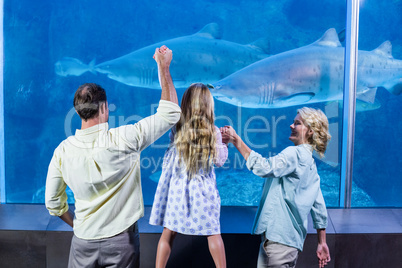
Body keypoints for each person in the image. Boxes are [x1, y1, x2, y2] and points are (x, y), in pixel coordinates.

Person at [45, 45, 181, 268]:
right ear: (105, 108)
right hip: (122, 243)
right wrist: (163, 67)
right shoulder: (126, 138)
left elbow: (53, 203)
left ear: (77, 111)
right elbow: (170, 114)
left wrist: (78, 225)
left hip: (82, 242)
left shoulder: (62, 151)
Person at [220, 107, 331, 268]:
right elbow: (319, 206)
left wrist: (236, 140)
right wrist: (322, 242)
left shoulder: (294, 153)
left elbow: (264, 168)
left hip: (278, 243)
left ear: (310, 131)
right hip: (291, 245)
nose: (291, 126)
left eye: (297, 123)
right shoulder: (311, 164)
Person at [149, 83, 228, 268]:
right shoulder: (213, 131)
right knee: (214, 233)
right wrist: (224, 143)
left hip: (177, 191)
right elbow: (219, 161)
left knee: (168, 233)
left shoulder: (177, 127)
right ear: (209, 105)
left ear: (185, 103)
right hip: (203, 193)